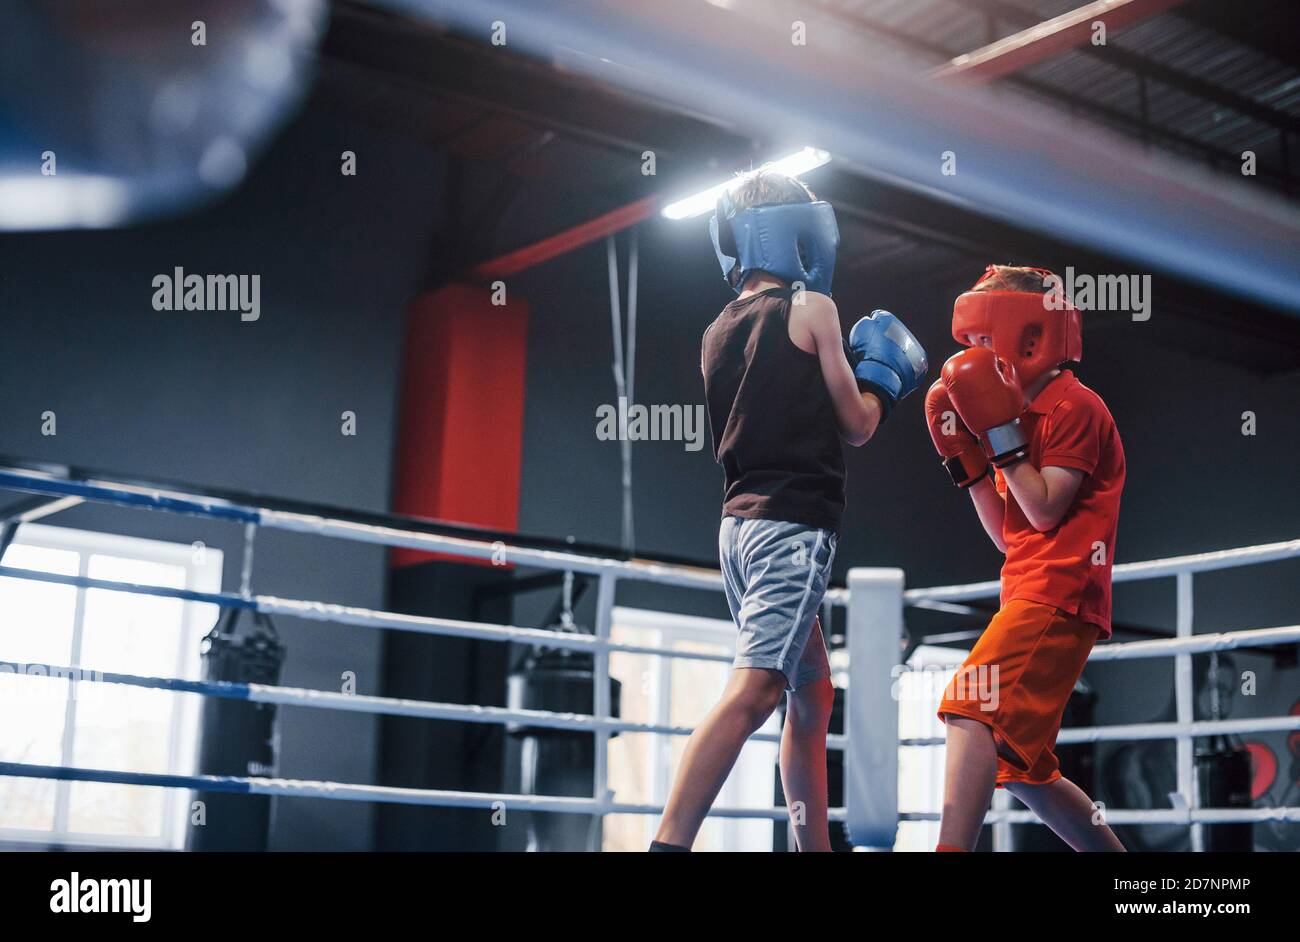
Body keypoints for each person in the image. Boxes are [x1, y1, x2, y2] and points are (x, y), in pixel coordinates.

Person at [650, 169, 927, 851]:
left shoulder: (714, 330)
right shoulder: (814, 311)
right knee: (757, 694)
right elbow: (857, 424)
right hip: (791, 530)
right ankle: (667, 845)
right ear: (795, 233)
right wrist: (885, 382)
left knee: (812, 694)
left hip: (736, 532)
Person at [923, 265, 1126, 852]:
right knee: (1026, 772)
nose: (975, 355)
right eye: (971, 344)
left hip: (1061, 592)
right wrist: (970, 464)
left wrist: (999, 439)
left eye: (984, 341)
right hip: (1030, 585)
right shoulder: (1009, 416)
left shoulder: (1076, 407)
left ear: (1030, 336)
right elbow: (1010, 538)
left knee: (969, 706)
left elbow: (1044, 511)